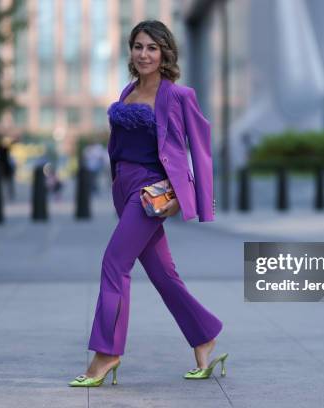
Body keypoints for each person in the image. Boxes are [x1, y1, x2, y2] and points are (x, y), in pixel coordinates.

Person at [69, 20, 226, 388]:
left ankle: (107, 353)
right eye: (138, 46)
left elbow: (199, 152)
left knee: (113, 263)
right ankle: (205, 336)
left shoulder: (178, 95)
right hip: (124, 189)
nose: (144, 54)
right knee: (163, 274)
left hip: (149, 194)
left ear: (165, 53)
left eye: (152, 48)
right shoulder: (127, 90)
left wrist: (196, 201)